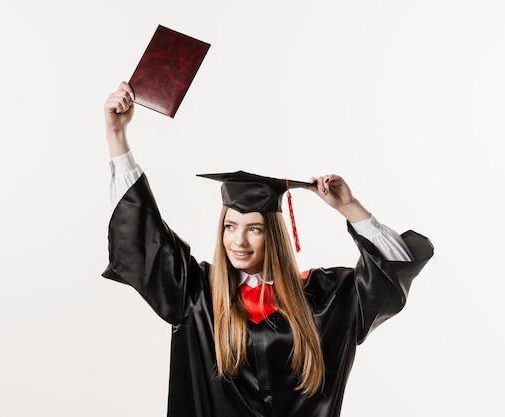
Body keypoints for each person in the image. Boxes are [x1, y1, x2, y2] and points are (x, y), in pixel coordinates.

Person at [102, 82, 434, 417]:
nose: (239, 241)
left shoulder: (326, 299)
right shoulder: (196, 293)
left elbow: (394, 266)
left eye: (255, 229)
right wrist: (117, 136)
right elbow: (141, 237)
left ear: (273, 236)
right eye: (230, 227)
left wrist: (350, 207)